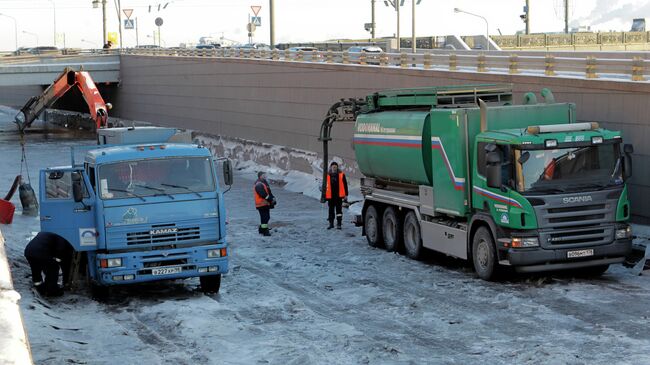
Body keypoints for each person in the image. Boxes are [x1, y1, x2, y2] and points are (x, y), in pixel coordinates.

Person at [24, 232, 72, 297]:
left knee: (36, 270)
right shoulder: (61, 237)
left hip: (29, 251)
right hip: (40, 252)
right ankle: (51, 291)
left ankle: (39, 287)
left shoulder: (47, 233)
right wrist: (58, 260)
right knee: (53, 269)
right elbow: (60, 250)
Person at [324, 161, 348, 230]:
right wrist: (324, 194)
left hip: (338, 196)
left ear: (337, 167)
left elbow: (345, 185)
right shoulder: (327, 175)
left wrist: (346, 194)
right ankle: (331, 224)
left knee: (339, 211)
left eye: (335, 167)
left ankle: (339, 224)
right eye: (333, 167)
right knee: (331, 211)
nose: (334, 168)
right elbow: (324, 185)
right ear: (331, 167)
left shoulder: (341, 175)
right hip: (330, 197)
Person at [254, 171, 276, 236]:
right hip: (261, 204)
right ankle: (265, 231)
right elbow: (263, 194)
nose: (265, 176)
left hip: (265, 204)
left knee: (266, 217)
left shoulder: (263, 183)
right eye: (264, 175)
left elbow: (268, 192)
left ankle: (262, 229)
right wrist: (270, 199)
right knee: (265, 217)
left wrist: (273, 198)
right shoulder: (259, 184)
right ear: (260, 176)